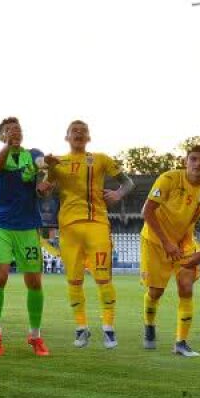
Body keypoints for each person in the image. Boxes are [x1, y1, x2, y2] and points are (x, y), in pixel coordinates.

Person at [42, 121, 134, 349]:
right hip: (69, 229)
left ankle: (109, 329)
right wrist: (47, 168)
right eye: (75, 131)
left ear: (89, 137)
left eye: (83, 131)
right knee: (74, 281)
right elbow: (43, 191)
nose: (79, 134)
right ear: (67, 136)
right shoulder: (58, 162)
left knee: (103, 278)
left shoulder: (101, 158)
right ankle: (81, 328)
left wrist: (119, 193)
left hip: (97, 225)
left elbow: (128, 182)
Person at [0, 117, 51, 357]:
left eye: (18, 130)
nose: (15, 132)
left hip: (28, 226)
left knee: (34, 282)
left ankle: (35, 336)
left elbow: (43, 164)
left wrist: (47, 178)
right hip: (0, 225)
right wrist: (8, 146)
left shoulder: (32, 153)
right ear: (2, 135)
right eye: (10, 130)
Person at [139, 145, 200, 357]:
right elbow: (146, 211)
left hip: (184, 241)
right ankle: (149, 325)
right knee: (155, 292)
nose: (198, 164)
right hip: (154, 240)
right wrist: (166, 242)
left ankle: (181, 342)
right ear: (185, 161)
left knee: (186, 287)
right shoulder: (169, 179)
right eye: (193, 159)